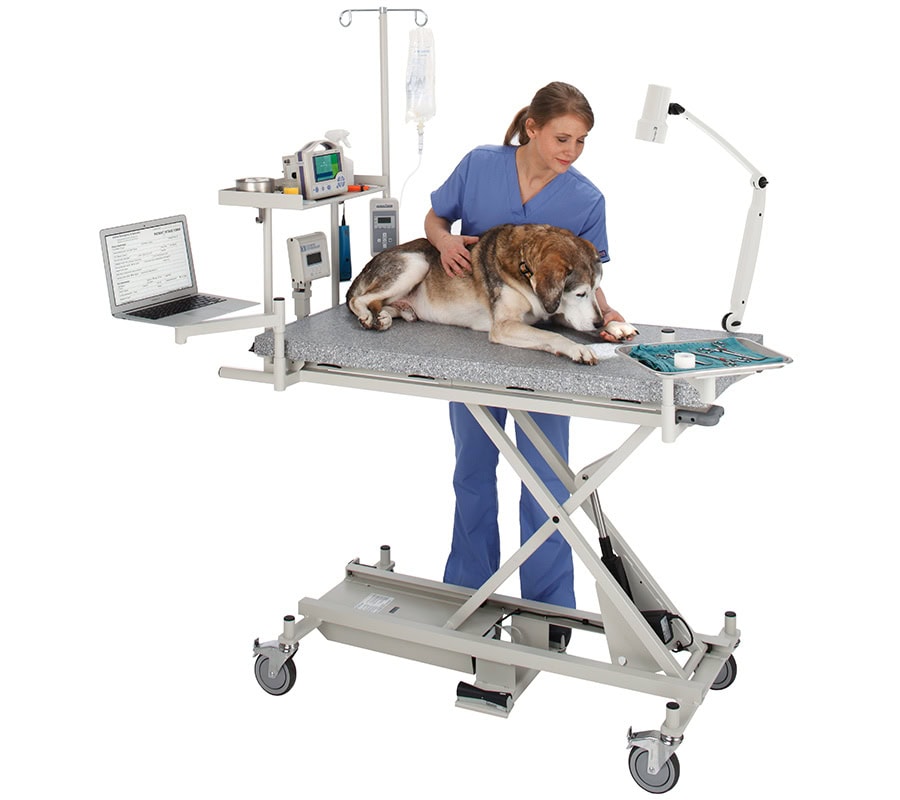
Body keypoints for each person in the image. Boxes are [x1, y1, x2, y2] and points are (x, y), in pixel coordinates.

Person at [424, 82, 628, 628]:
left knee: (545, 478)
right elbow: (436, 220)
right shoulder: (479, 166)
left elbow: (587, 282)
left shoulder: (585, 199)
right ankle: (468, 596)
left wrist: (607, 316)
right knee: (472, 467)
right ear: (531, 128)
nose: (572, 151)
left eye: (582, 142)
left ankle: (547, 613)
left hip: (541, 350)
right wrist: (444, 243)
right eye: (563, 137)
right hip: (471, 341)